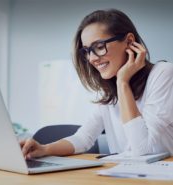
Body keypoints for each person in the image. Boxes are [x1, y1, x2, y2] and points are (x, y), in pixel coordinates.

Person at [20, 9, 173, 159]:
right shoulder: (110, 92)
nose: (92, 58)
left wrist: (122, 82)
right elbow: (83, 138)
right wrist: (44, 149)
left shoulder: (163, 73)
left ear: (129, 41)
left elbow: (143, 151)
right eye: (87, 51)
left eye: (99, 47)